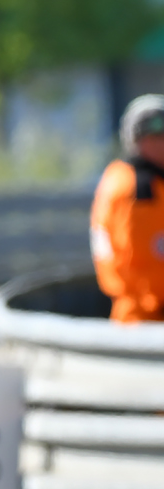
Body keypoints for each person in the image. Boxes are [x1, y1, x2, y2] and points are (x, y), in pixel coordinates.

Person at [91, 94, 164, 322]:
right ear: (141, 141)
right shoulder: (140, 189)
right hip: (146, 316)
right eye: (158, 137)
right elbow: (143, 260)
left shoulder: (123, 175)